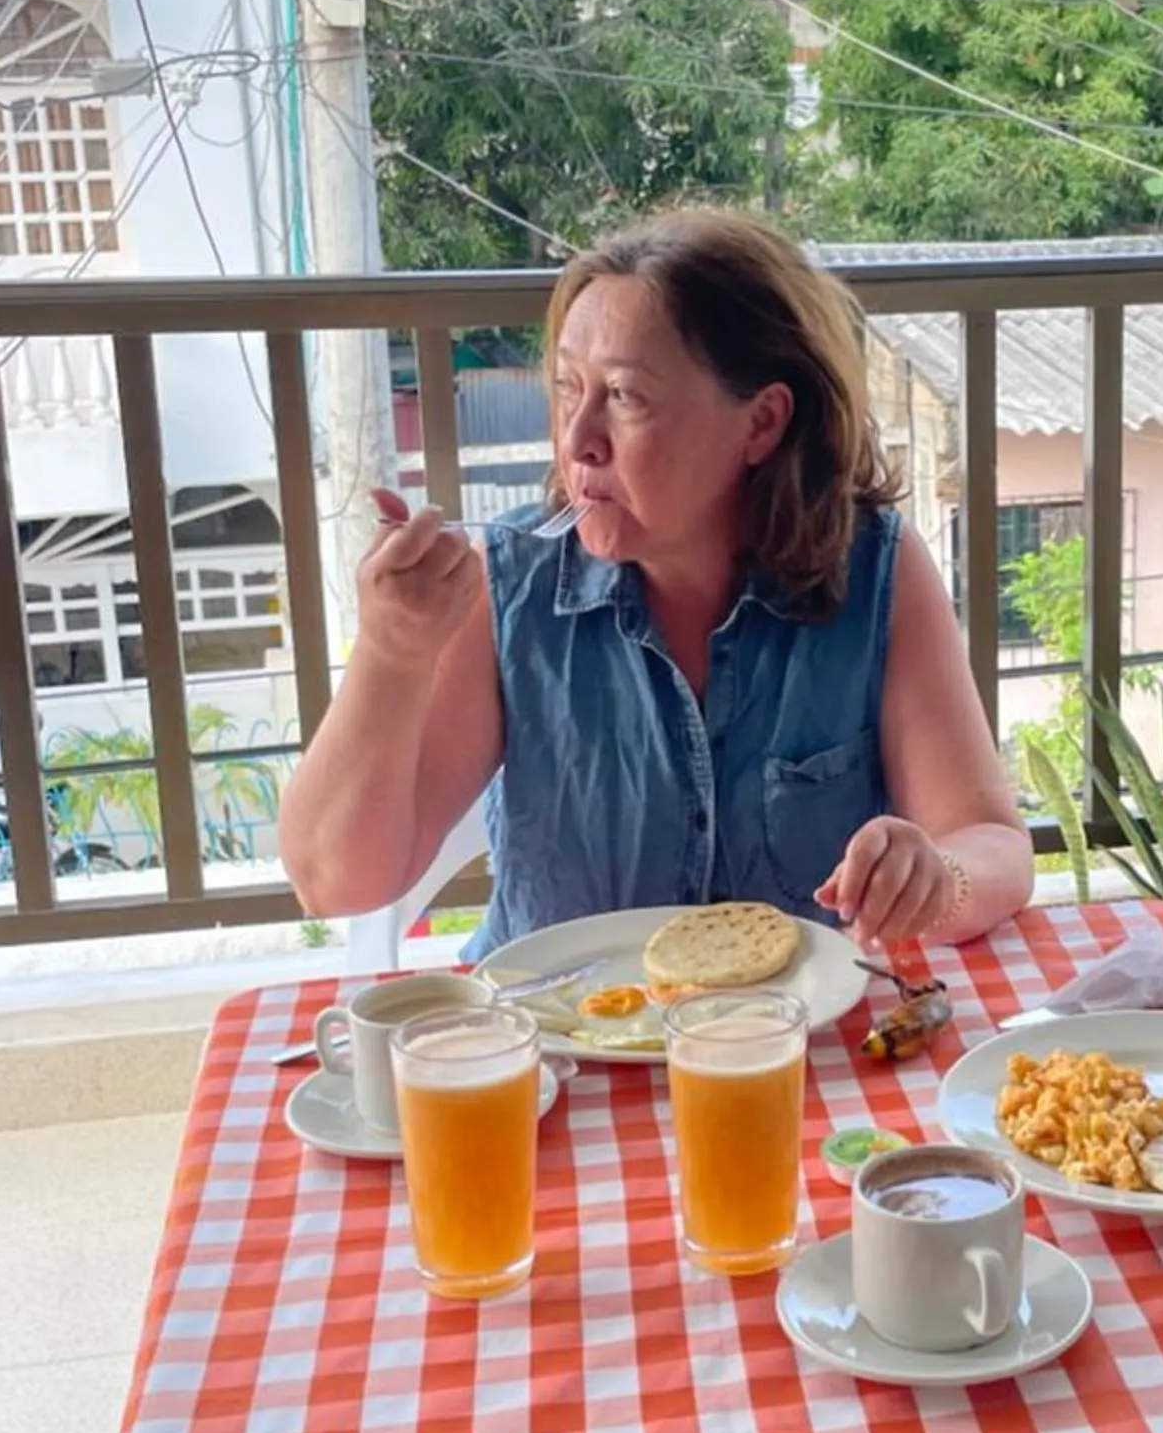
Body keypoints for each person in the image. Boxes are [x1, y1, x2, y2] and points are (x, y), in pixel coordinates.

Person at [279, 205, 1034, 959]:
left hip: (785, 1056)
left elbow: (993, 843)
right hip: (554, 1059)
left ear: (762, 423)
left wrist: (939, 876)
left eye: (626, 397)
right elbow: (334, 881)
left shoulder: (870, 569)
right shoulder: (507, 586)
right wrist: (390, 655)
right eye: (570, 388)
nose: (578, 441)